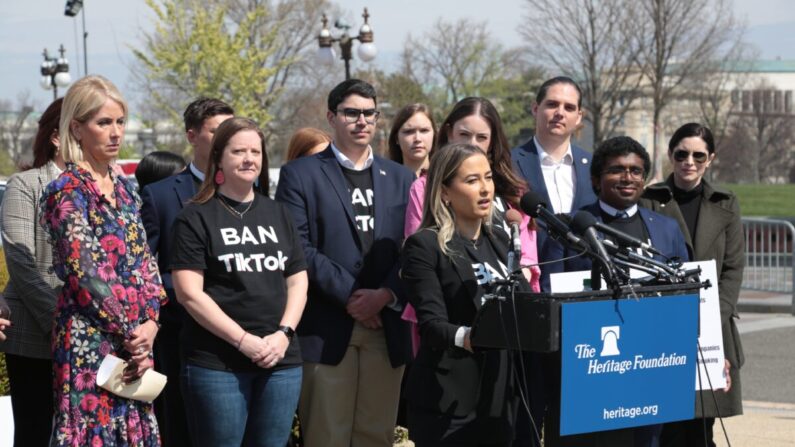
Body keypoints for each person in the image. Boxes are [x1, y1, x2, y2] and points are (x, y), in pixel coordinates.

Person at [275, 79, 413, 447]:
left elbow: (414, 249)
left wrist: (384, 295)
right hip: (326, 325)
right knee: (326, 436)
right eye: (352, 113)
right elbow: (297, 248)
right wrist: (354, 297)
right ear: (332, 117)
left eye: (370, 113)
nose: (362, 121)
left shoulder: (402, 178)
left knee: (376, 435)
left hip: (386, 326)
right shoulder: (300, 174)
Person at [39, 75, 166, 446]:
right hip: (89, 339)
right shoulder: (65, 190)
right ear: (76, 129)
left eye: (120, 121)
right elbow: (86, 272)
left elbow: (145, 260)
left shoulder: (126, 188)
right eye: (103, 122)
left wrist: (152, 324)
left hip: (137, 338)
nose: (115, 133)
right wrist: (133, 333)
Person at [169, 117, 308, 447]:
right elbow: (189, 294)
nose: (249, 159)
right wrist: (243, 340)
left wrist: (283, 335)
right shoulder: (194, 217)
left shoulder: (278, 213)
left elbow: (298, 282)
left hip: (280, 361)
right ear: (219, 158)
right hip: (218, 365)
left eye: (255, 152)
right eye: (238, 151)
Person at [545, 136, 689, 447]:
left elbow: (686, 297)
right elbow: (553, 298)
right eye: (617, 170)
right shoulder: (571, 228)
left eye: (636, 171)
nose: (627, 178)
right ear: (596, 179)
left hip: (650, 376)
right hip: (592, 374)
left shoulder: (667, 230)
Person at [401, 143, 530, 446]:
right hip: (449, 398)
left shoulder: (501, 238)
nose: (485, 189)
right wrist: (472, 337)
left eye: (487, 177)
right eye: (472, 181)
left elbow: (524, 303)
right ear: (444, 191)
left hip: (501, 394)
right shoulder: (424, 246)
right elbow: (432, 326)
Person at [642, 123, 744, 447]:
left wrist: (715, 316)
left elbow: (733, 268)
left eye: (698, 155)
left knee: (701, 429)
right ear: (671, 155)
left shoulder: (726, 205)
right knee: (666, 427)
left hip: (712, 330)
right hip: (663, 326)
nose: (689, 161)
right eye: (682, 153)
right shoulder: (649, 200)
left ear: (710, 159)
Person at [139, 97, 234, 447]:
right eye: (216, 131)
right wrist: (192, 290)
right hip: (182, 335)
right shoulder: (161, 195)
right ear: (192, 136)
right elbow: (146, 269)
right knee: (183, 429)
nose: (227, 140)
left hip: (243, 333)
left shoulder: (250, 192)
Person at [510, 76, 597, 447]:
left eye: (568, 107)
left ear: (580, 117)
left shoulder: (594, 167)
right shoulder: (510, 163)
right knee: (529, 413)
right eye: (551, 104)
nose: (559, 113)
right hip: (530, 303)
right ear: (535, 109)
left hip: (582, 306)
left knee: (574, 414)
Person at [404, 97, 539, 288]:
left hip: (514, 302)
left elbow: (528, 259)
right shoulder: (425, 188)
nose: (472, 144)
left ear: (492, 141)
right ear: (449, 133)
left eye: (481, 137)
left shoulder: (514, 190)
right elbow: (419, 255)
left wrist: (511, 285)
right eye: (464, 134)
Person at [0, 97, 64, 447]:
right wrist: (64, 325)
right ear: (57, 136)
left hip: (97, 339)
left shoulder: (111, 188)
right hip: (35, 337)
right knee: (37, 432)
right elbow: (22, 265)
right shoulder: (26, 185)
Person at [388, 103, 437, 177]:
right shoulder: (384, 180)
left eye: (424, 130)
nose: (417, 138)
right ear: (396, 138)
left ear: (434, 134)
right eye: (409, 131)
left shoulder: (446, 181)